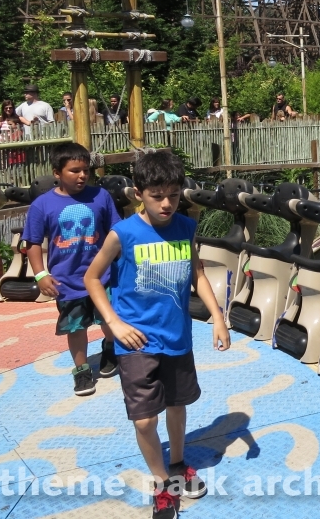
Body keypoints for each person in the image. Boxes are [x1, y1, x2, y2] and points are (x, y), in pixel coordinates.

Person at [85, 151, 229, 519]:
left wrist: (217, 316)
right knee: (146, 419)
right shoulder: (123, 234)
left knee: (177, 405)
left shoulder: (185, 227)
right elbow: (92, 279)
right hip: (135, 339)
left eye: (174, 195)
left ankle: (178, 465)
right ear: (138, 193)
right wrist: (114, 323)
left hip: (177, 335)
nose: (166, 204)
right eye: (157, 196)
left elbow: (196, 272)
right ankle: (161, 480)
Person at [23, 143, 120, 397]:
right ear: (57, 173)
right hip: (67, 281)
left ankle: (111, 348)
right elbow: (32, 242)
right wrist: (41, 274)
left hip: (102, 277)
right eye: (74, 170)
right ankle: (82, 370)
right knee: (76, 328)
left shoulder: (101, 197)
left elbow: (116, 231)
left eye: (86, 170)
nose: (82, 176)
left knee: (109, 320)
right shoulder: (42, 205)